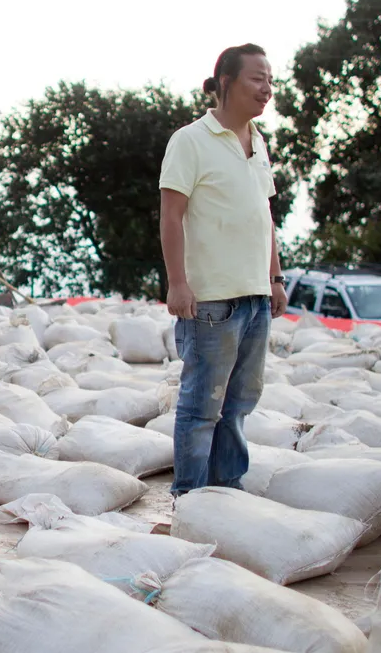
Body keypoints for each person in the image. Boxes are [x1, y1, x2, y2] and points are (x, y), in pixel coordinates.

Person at [158, 44, 288, 498]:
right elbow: (171, 215)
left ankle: (226, 492)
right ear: (226, 82)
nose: (267, 89)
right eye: (257, 78)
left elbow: (263, 215)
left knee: (239, 405)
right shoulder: (190, 140)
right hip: (212, 300)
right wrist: (178, 283)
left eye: (270, 80)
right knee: (201, 407)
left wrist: (275, 277)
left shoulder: (259, 143)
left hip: (255, 296)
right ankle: (188, 499)